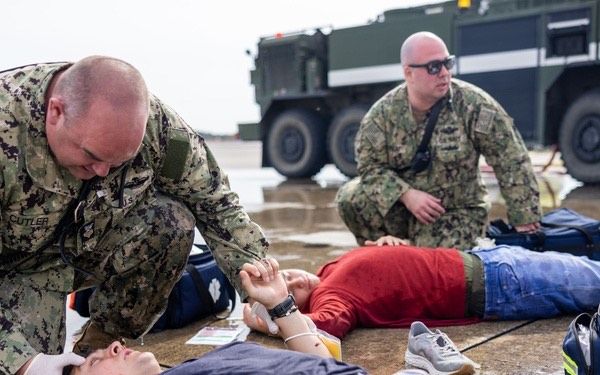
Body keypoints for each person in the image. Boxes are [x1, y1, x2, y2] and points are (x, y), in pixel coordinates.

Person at [0, 57, 275, 375]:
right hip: (12, 271)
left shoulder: (156, 128)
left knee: (170, 222)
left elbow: (216, 204)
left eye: (119, 161)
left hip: (81, 247)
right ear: (56, 112)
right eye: (91, 155)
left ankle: (100, 342)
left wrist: (260, 289)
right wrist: (23, 361)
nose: (102, 171)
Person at [336, 31, 541, 249]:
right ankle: (386, 248)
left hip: (456, 210)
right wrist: (406, 195)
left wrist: (525, 216)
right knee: (351, 198)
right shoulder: (382, 116)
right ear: (409, 73)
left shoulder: (473, 105)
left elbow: (510, 156)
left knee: (432, 267)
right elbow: (370, 168)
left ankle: (411, 249)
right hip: (405, 209)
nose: (444, 73)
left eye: (447, 63)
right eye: (433, 67)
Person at [243, 236, 600, 339]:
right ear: (296, 306)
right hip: (499, 284)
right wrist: (265, 317)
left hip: (487, 258)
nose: (295, 279)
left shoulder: (329, 271)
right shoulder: (331, 298)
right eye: (289, 290)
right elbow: (326, 326)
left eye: (286, 274)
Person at [63, 258, 366, 375]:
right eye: (93, 362)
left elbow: (325, 364)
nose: (111, 346)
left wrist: (280, 305)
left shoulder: (189, 367)